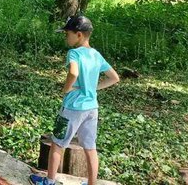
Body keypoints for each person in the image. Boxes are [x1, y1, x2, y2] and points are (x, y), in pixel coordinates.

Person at [29, 16, 120, 185]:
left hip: (72, 107)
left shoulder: (74, 53)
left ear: (78, 35)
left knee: (57, 143)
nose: (65, 37)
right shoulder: (96, 55)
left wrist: (66, 88)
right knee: (90, 147)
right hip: (92, 108)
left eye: (67, 34)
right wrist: (93, 89)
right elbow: (114, 78)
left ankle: (49, 181)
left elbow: (74, 73)